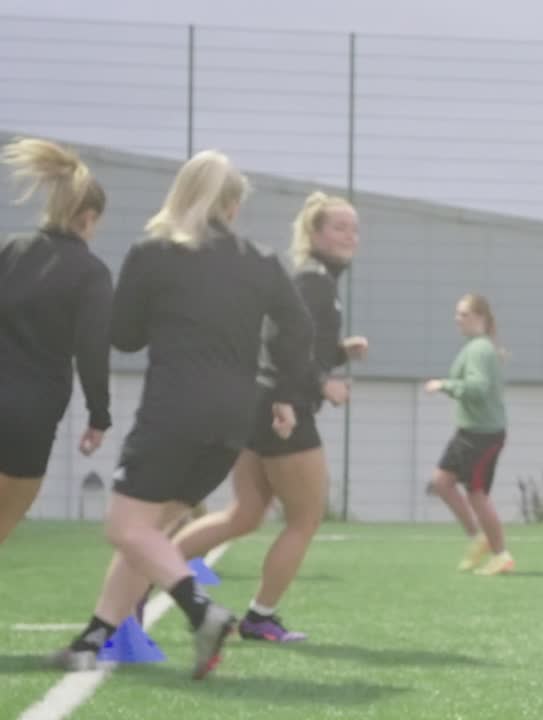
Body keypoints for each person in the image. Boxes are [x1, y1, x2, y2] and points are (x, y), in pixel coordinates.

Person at [52, 150, 315, 679]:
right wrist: (284, 394)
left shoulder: (154, 252)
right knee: (149, 531)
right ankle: (95, 637)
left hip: (174, 411)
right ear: (233, 206)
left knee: (126, 528)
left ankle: (202, 612)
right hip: (233, 421)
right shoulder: (261, 260)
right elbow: (301, 331)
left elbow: (125, 337)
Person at [170, 191, 368, 642]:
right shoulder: (314, 280)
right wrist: (320, 386)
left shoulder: (312, 279)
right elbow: (281, 347)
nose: (350, 236)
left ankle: (146, 571)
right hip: (283, 407)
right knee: (305, 519)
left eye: (355, 228)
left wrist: (338, 353)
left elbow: (295, 346)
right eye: (339, 227)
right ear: (314, 233)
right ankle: (260, 617)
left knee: (244, 515)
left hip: (259, 401)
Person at [0, 138, 112, 544]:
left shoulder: (11, 250)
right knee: (6, 518)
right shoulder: (91, 272)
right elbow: (92, 352)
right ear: (87, 217)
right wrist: (99, 416)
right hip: (33, 410)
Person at [425, 294, 513, 576]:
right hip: (468, 431)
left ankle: (501, 554)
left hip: (483, 435)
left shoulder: (479, 349)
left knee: (477, 493)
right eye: (457, 313)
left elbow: (478, 387)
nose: (457, 319)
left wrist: (445, 385)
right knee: (442, 481)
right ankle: (479, 537)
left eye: (463, 314)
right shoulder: (476, 347)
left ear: (480, 318)